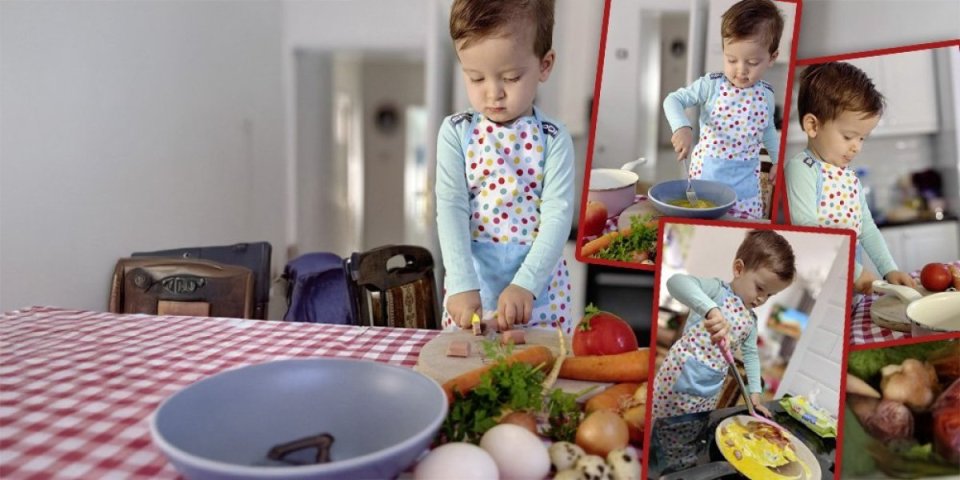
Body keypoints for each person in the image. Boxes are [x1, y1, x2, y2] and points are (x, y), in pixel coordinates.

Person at [436, 0, 575, 334]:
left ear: (544, 65)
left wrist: (525, 284)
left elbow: (557, 216)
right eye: (476, 78)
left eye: (511, 77)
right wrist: (459, 280)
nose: (492, 93)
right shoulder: (455, 132)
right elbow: (451, 207)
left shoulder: (554, 138)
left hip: (538, 294)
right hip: (472, 286)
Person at [785, 62, 915, 294]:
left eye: (862, 139)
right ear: (813, 125)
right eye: (848, 137)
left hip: (849, 282)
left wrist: (889, 269)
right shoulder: (801, 170)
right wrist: (855, 272)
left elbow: (867, 228)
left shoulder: (849, 178)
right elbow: (807, 232)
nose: (856, 148)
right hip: (821, 281)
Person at [652, 230, 795, 419]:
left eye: (769, 295)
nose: (762, 298)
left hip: (709, 392)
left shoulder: (751, 321)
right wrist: (710, 309)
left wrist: (755, 393)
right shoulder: (716, 291)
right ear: (738, 269)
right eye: (760, 288)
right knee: (657, 425)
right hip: (678, 378)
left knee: (689, 433)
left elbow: (751, 356)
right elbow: (676, 282)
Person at [663, 0, 783, 220]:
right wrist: (682, 127)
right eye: (731, 60)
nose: (741, 70)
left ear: (772, 58)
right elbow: (673, 100)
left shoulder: (766, 94)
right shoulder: (711, 85)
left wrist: (776, 161)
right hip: (707, 183)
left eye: (753, 62)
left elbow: (768, 131)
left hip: (745, 192)